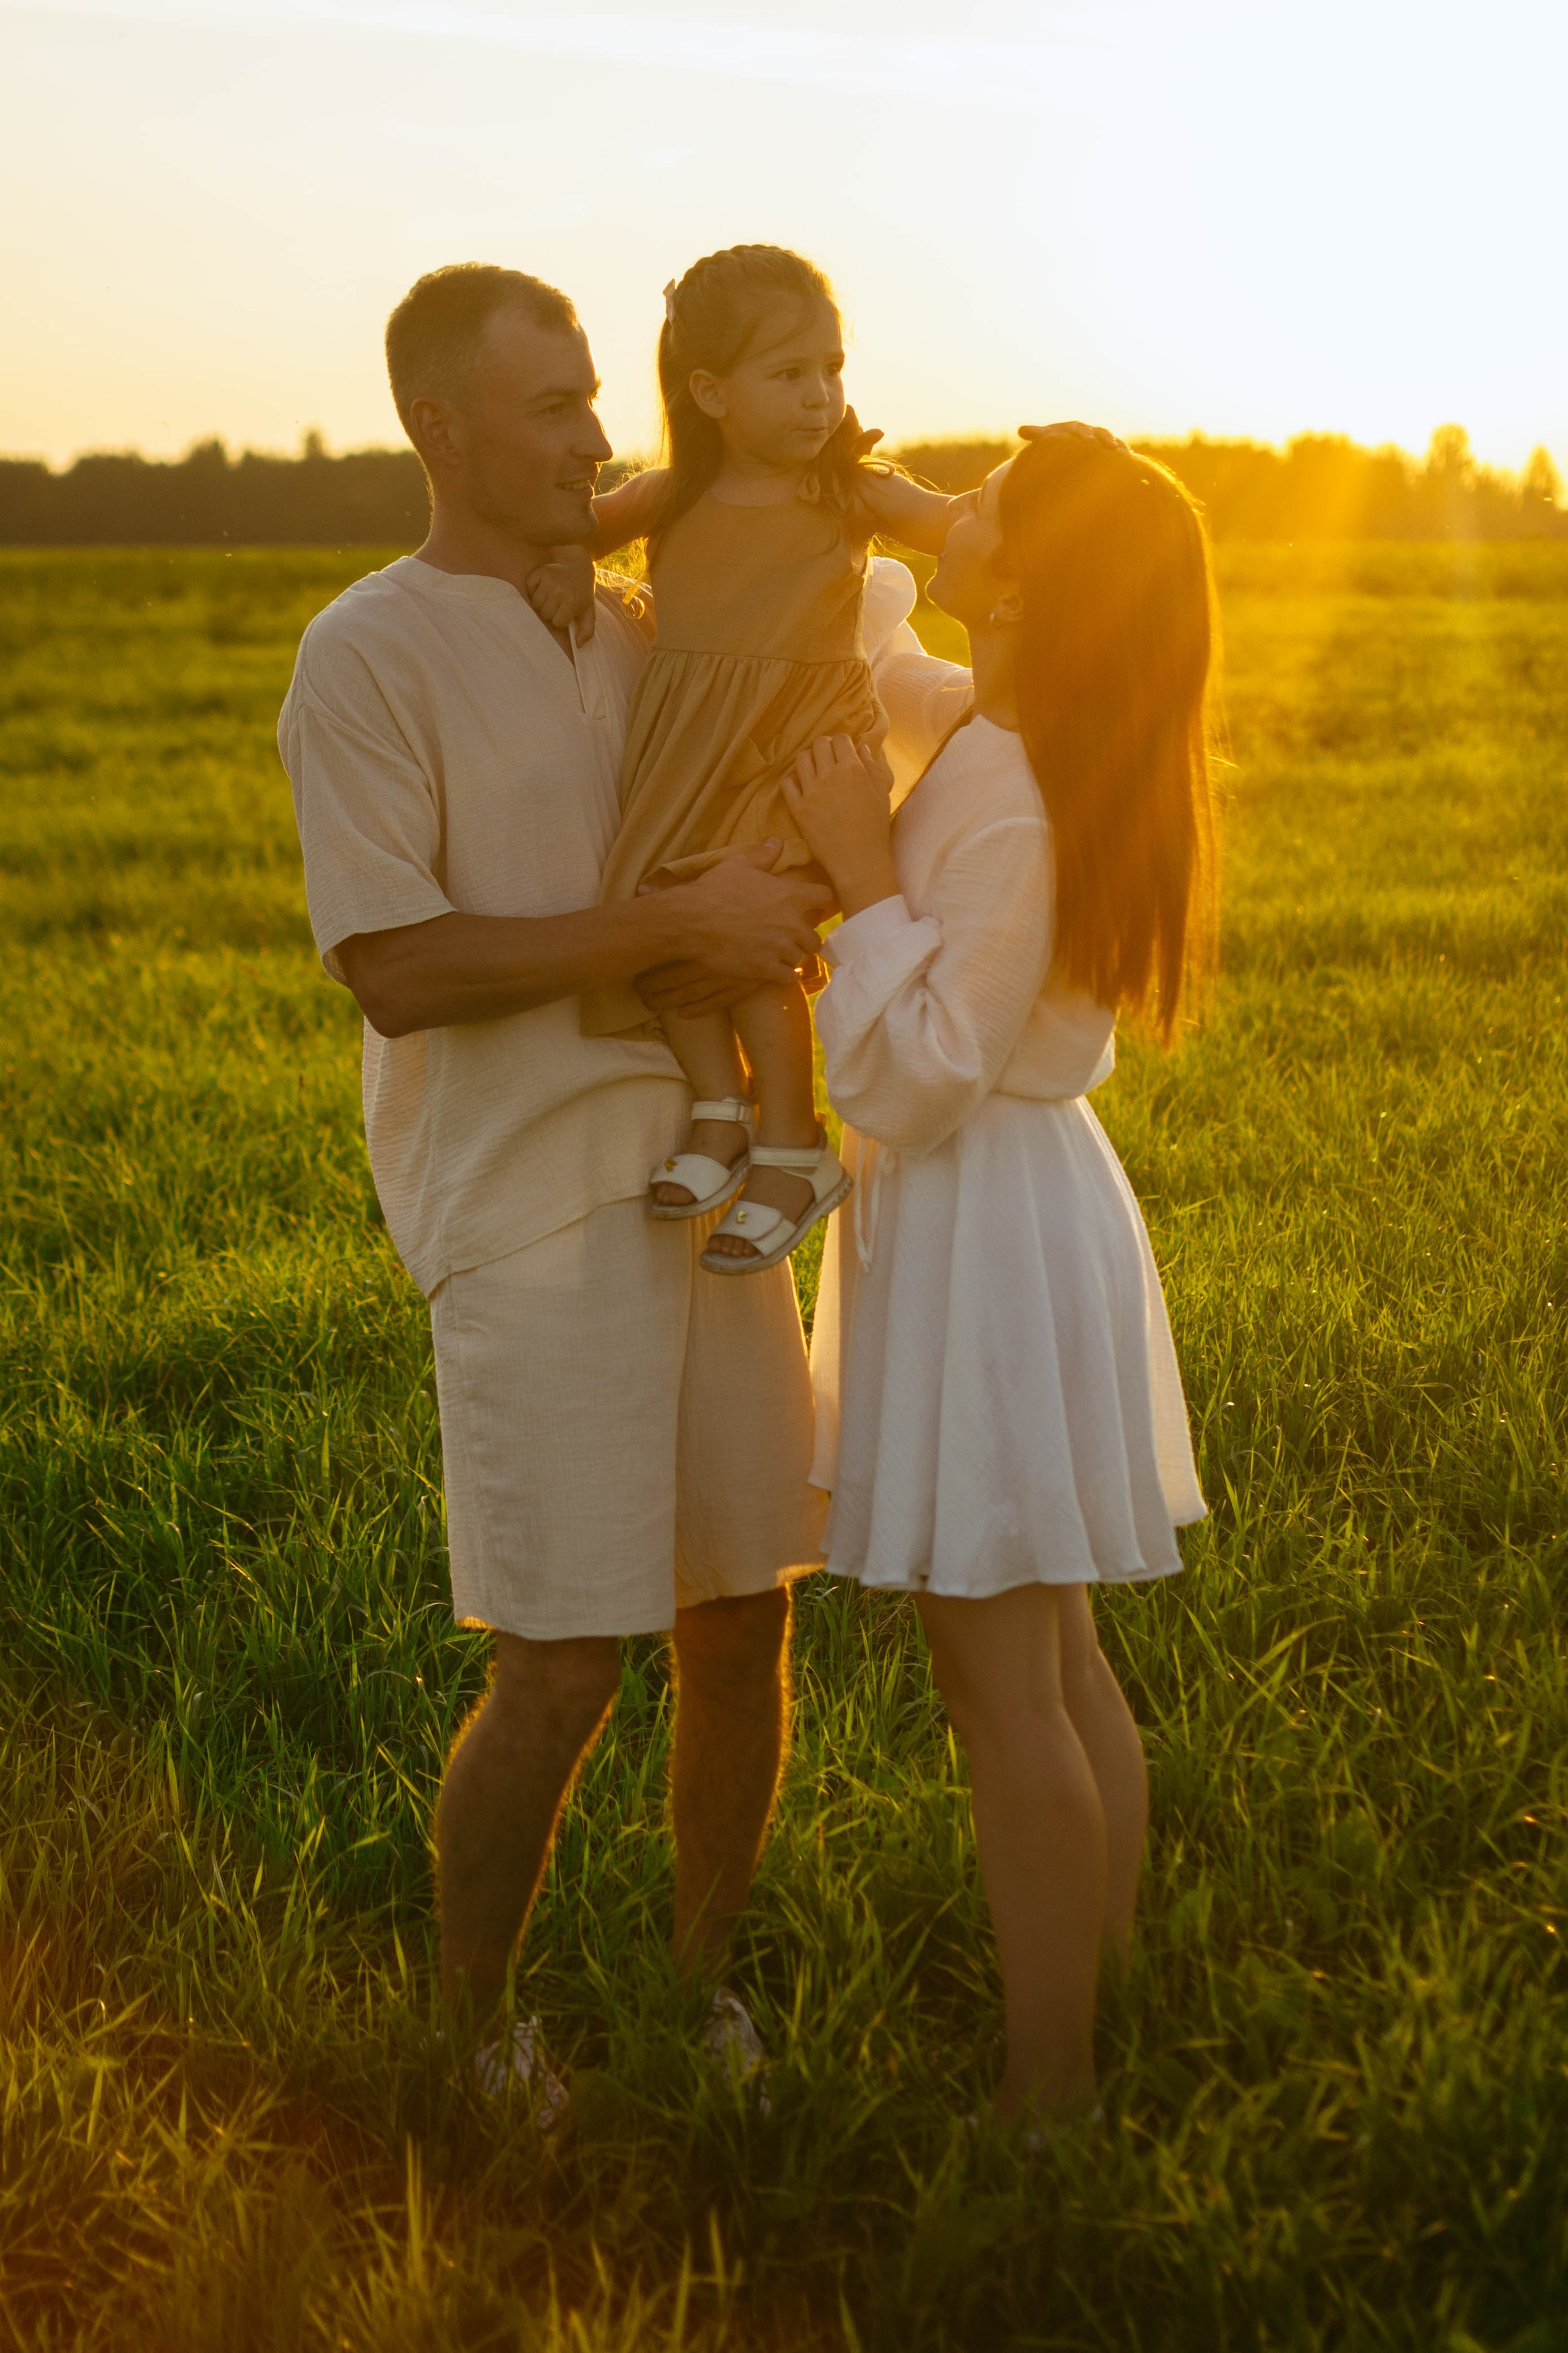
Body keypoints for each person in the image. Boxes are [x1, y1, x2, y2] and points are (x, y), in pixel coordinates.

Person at [277, 263, 832, 2116]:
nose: (599, 434)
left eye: (600, 397)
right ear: (437, 427)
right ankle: (471, 2035)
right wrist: (679, 920)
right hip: (528, 1199)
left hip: (720, 1170)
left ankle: (698, 1997)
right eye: (550, 406)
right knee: (566, 1655)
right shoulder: (364, 651)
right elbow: (397, 968)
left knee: (744, 1609)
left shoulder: (643, 622)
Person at [787, 434, 1216, 2131]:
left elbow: (918, 1075)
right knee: (1058, 1656)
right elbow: (865, 657)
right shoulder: (1002, 723)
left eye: (984, 506)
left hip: (982, 1215)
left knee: (1002, 1684)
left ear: (1031, 583)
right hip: (1019, 1211)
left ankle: (1054, 2096)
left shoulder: (1016, 794)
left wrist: (859, 882)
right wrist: (878, 505)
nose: (943, 505)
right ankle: (1091, 1984)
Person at [527, 243, 957, 1277]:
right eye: (789, 374)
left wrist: (1059, 486)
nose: (821, 398)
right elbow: (569, 527)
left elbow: (968, 528)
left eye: (832, 371)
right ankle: (719, 1107)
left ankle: (789, 1139)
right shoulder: (673, 496)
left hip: (799, 746)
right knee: (654, 904)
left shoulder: (850, 490)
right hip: (691, 750)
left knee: (748, 925)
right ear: (711, 391)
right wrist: (557, 562)